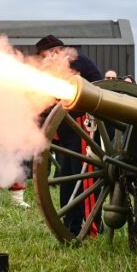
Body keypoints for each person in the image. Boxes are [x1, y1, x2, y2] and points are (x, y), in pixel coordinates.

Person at [37, 35, 102, 234]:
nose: (42, 61)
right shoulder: (51, 73)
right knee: (67, 182)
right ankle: (71, 227)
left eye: (44, 56)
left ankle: (93, 230)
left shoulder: (78, 63)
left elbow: (98, 90)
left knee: (86, 181)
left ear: (56, 52)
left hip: (83, 128)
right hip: (65, 133)